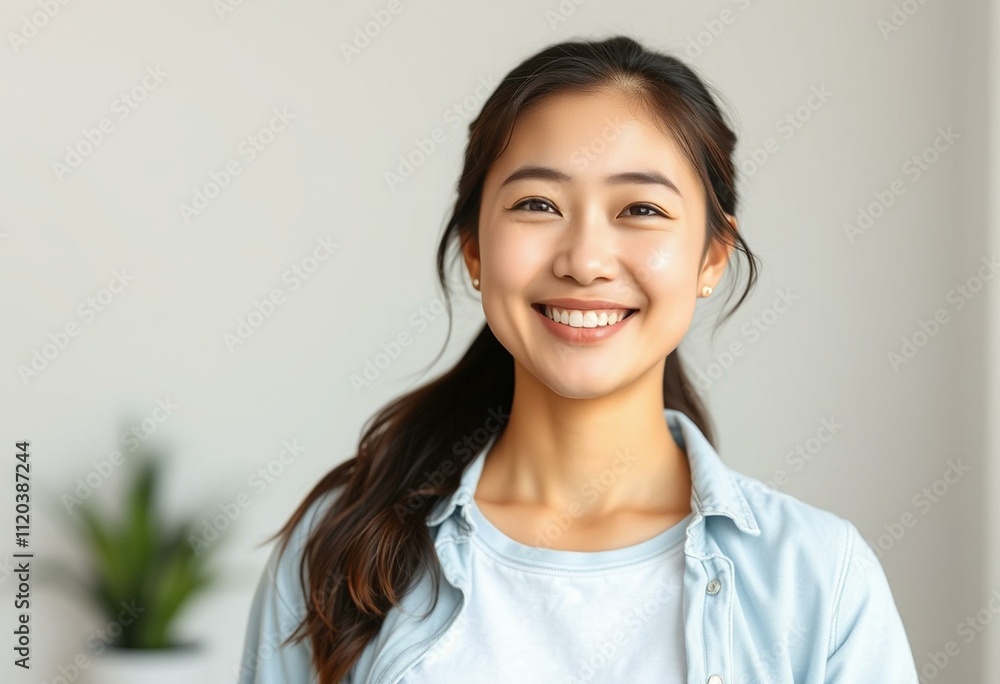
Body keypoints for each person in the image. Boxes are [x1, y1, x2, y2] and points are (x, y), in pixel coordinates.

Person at [238, 35, 919, 683]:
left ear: (712, 256)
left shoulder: (821, 578)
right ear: (475, 248)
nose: (585, 261)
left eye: (641, 209)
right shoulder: (341, 548)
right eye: (538, 204)